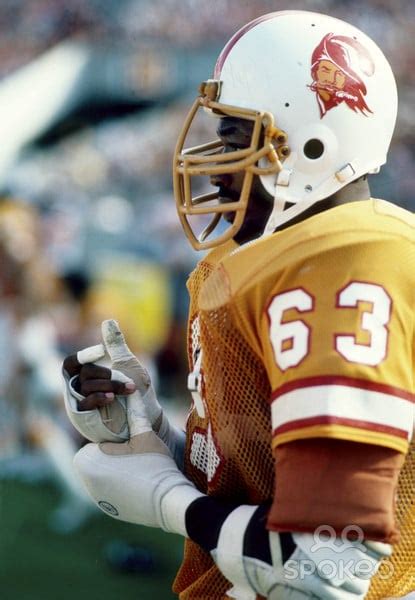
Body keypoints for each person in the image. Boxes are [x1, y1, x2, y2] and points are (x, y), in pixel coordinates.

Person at [61, 10, 415, 600]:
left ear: (310, 143)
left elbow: (325, 560)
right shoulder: (271, 260)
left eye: (232, 139)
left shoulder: (345, 266)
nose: (216, 168)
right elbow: (259, 480)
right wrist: (158, 436)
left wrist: (166, 501)